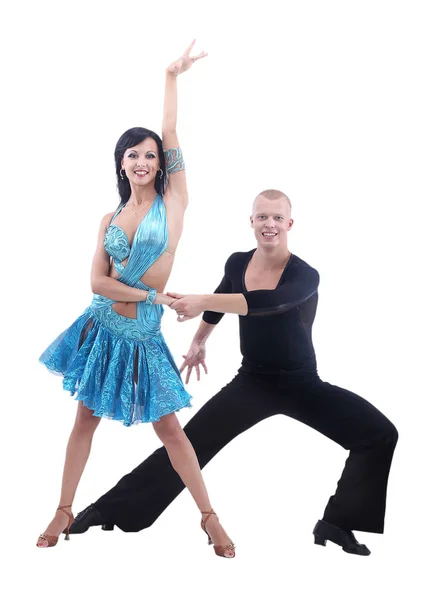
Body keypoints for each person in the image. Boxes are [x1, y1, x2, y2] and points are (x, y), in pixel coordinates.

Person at [70, 189, 398, 556]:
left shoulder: (305, 275)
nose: (269, 224)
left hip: (302, 384)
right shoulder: (237, 262)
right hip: (253, 382)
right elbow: (222, 296)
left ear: (289, 224)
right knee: (188, 445)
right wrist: (199, 340)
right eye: (262, 217)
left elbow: (267, 303)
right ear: (252, 222)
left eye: (277, 218)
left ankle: (337, 523)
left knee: (379, 434)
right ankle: (112, 509)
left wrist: (201, 302)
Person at [36, 41, 235, 559]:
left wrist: (171, 76)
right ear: (120, 164)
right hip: (101, 328)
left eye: (150, 154)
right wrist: (151, 293)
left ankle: (209, 517)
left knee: (170, 430)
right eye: (134, 155)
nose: (144, 160)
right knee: (84, 420)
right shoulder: (108, 219)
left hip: (143, 335)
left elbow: (171, 134)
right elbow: (96, 284)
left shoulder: (174, 203)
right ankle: (63, 508)